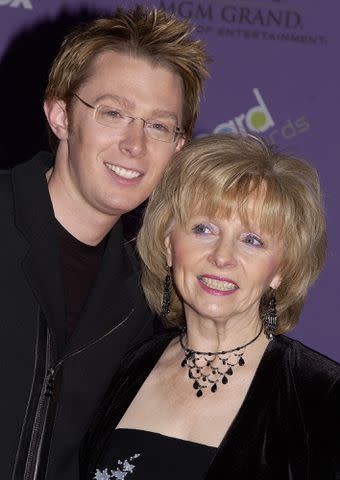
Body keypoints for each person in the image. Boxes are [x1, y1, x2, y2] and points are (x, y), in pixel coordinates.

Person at [0, 6, 208, 480]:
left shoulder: (144, 299)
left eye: (158, 125)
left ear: (178, 148)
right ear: (61, 116)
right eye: (113, 113)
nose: (135, 144)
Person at [82, 134, 340, 479]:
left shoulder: (322, 395)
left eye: (252, 240)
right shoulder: (122, 369)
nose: (222, 257)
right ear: (169, 246)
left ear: (280, 270)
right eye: (204, 229)